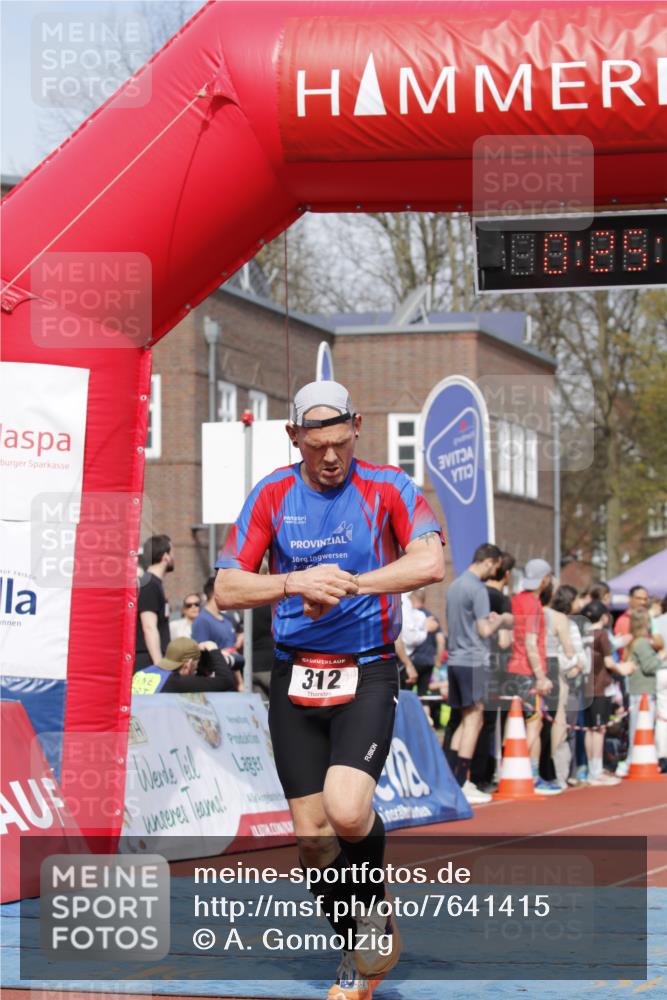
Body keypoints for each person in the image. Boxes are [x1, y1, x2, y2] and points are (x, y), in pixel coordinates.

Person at [214, 379, 445, 1000]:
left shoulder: (389, 487)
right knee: (314, 840)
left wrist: (350, 584)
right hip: (294, 673)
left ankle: (373, 907)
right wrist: (295, 583)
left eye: (341, 443)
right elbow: (226, 588)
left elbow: (429, 564)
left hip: (366, 668)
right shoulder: (271, 494)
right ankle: (357, 951)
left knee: (347, 808)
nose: (332, 458)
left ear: (357, 428)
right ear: (295, 439)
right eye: (317, 448)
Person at [445, 543, 513, 805]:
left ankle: (454, 779)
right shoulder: (478, 589)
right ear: (489, 562)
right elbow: (485, 630)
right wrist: (502, 620)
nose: (493, 572)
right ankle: (462, 781)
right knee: (475, 720)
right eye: (495, 567)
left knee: (465, 718)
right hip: (474, 660)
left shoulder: (454, 586)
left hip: (456, 659)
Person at [505, 558, 561, 795]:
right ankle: (530, 774)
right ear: (545, 580)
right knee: (533, 724)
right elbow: (530, 642)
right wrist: (540, 675)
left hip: (513, 668)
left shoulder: (516, 600)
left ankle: (522, 771)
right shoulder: (533, 604)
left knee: (521, 723)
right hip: (527, 671)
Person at [580, 600, 636, 785]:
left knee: (591, 729)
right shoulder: (601, 635)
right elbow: (609, 663)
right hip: (599, 686)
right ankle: (595, 771)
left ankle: (592, 768)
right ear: (604, 616)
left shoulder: (584, 634)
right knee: (599, 729)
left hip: (586, 685)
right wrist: (624, 669)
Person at [131, 637, 237, 694]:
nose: (196, 669)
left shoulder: (142, 673)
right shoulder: (176, 682)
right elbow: (226, 681)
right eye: (196, 665)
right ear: (189, 663)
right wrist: (213, 648)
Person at [625, 607, 667, 751]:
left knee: (638, 729)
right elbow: (649, 666)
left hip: (639, 691)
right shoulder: (642, 642)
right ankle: (634, 760)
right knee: (641, 729)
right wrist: (661, 656)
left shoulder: (635, 641)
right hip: (643, 692)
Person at [134, 534, 173, 672]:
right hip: (148, 661)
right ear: (165, 556)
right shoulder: (149, 584)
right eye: (171, 552)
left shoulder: (154, 583)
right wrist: (159, 665)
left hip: (150, 659)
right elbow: (149, 626)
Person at [408, 589, 445, 698]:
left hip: (412, 661)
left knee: (405, 695)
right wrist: (438, 661)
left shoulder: (412, 616)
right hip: (428, 662)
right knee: (424, 697)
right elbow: (441, 641)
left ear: (413, 598)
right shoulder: (432, 617)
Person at [192, 576, 238, 650]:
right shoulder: (202, 621)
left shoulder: (227, 618)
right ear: (216, 593)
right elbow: (202, 652)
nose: (230, 595)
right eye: (227, 591)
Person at [614, 585, 649, 658]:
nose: (642, 602)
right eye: (638, 598)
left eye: (645, 599)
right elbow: (625, 648)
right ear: (630, 598)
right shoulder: (624, 620)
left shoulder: (649, 618)